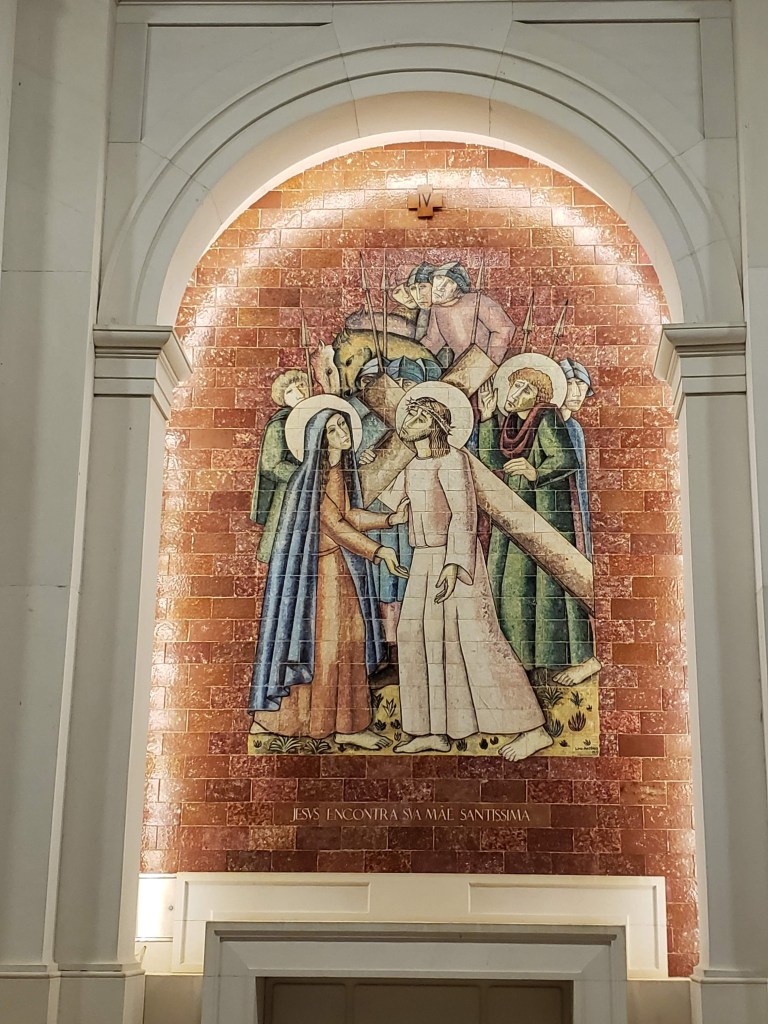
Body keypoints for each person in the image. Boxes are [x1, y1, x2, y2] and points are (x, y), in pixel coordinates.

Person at [380, 384, 552, 761]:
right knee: (413, 636)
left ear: (436, 426)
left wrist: (454, 564)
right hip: (424, 559)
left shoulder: (452, 460)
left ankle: (533, 728)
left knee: (477, 640)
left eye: (419, 416)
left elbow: (463, 513)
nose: (409, 419)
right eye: (410, 413)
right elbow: (390, 502)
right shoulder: (411, 466)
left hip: (455, 560)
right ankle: (430, 731)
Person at [248, 399, 410, 748]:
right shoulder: (312, 479)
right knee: (328, 647)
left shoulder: (339, 472)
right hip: (319, 576)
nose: (342, 433)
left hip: (339, 571)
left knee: (350, 642)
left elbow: (349, 515)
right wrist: (379, 551)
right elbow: (334, 525)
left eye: (343, 426)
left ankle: (348, 724)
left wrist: (389, 519)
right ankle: (320, 725)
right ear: (320, 439)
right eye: (333, 429)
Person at [478, 357, 600, 687]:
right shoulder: (510, 424)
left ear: (539, 396)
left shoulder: (545, 418)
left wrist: (535, 472)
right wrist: (487, 419)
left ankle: (548, 662)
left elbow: (566, 459)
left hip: (544, 514)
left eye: (524, 389)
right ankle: (518, 661)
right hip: (513, 513)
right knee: (508, 586)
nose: (514, 394)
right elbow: (492, 459)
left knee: (541, 589)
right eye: (514, 386)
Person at [250, 369, 310, 563]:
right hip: (289, 491)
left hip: (318, 491)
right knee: (284, 547)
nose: (299, 393)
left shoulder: (318, 417)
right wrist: (304, 475)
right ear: (283, 398)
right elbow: (271, 464)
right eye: (290, 391)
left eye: (301, 386)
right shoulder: (279, 424)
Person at [423, 261, 516, 367]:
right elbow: (433, 342)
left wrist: (489, 363)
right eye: (439, 278)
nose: (440, 287)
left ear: (458, 288)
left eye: (449, 282)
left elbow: (505, 328)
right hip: (460, 367)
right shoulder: (437, 309)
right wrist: (412, 356)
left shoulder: (477, 301)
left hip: (481, 366)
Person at [559, 357, 595, 561]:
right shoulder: (543, 423)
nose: (576, 393)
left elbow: (581, 483)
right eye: (569, 384)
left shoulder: (575, 428)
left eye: (581, 385)